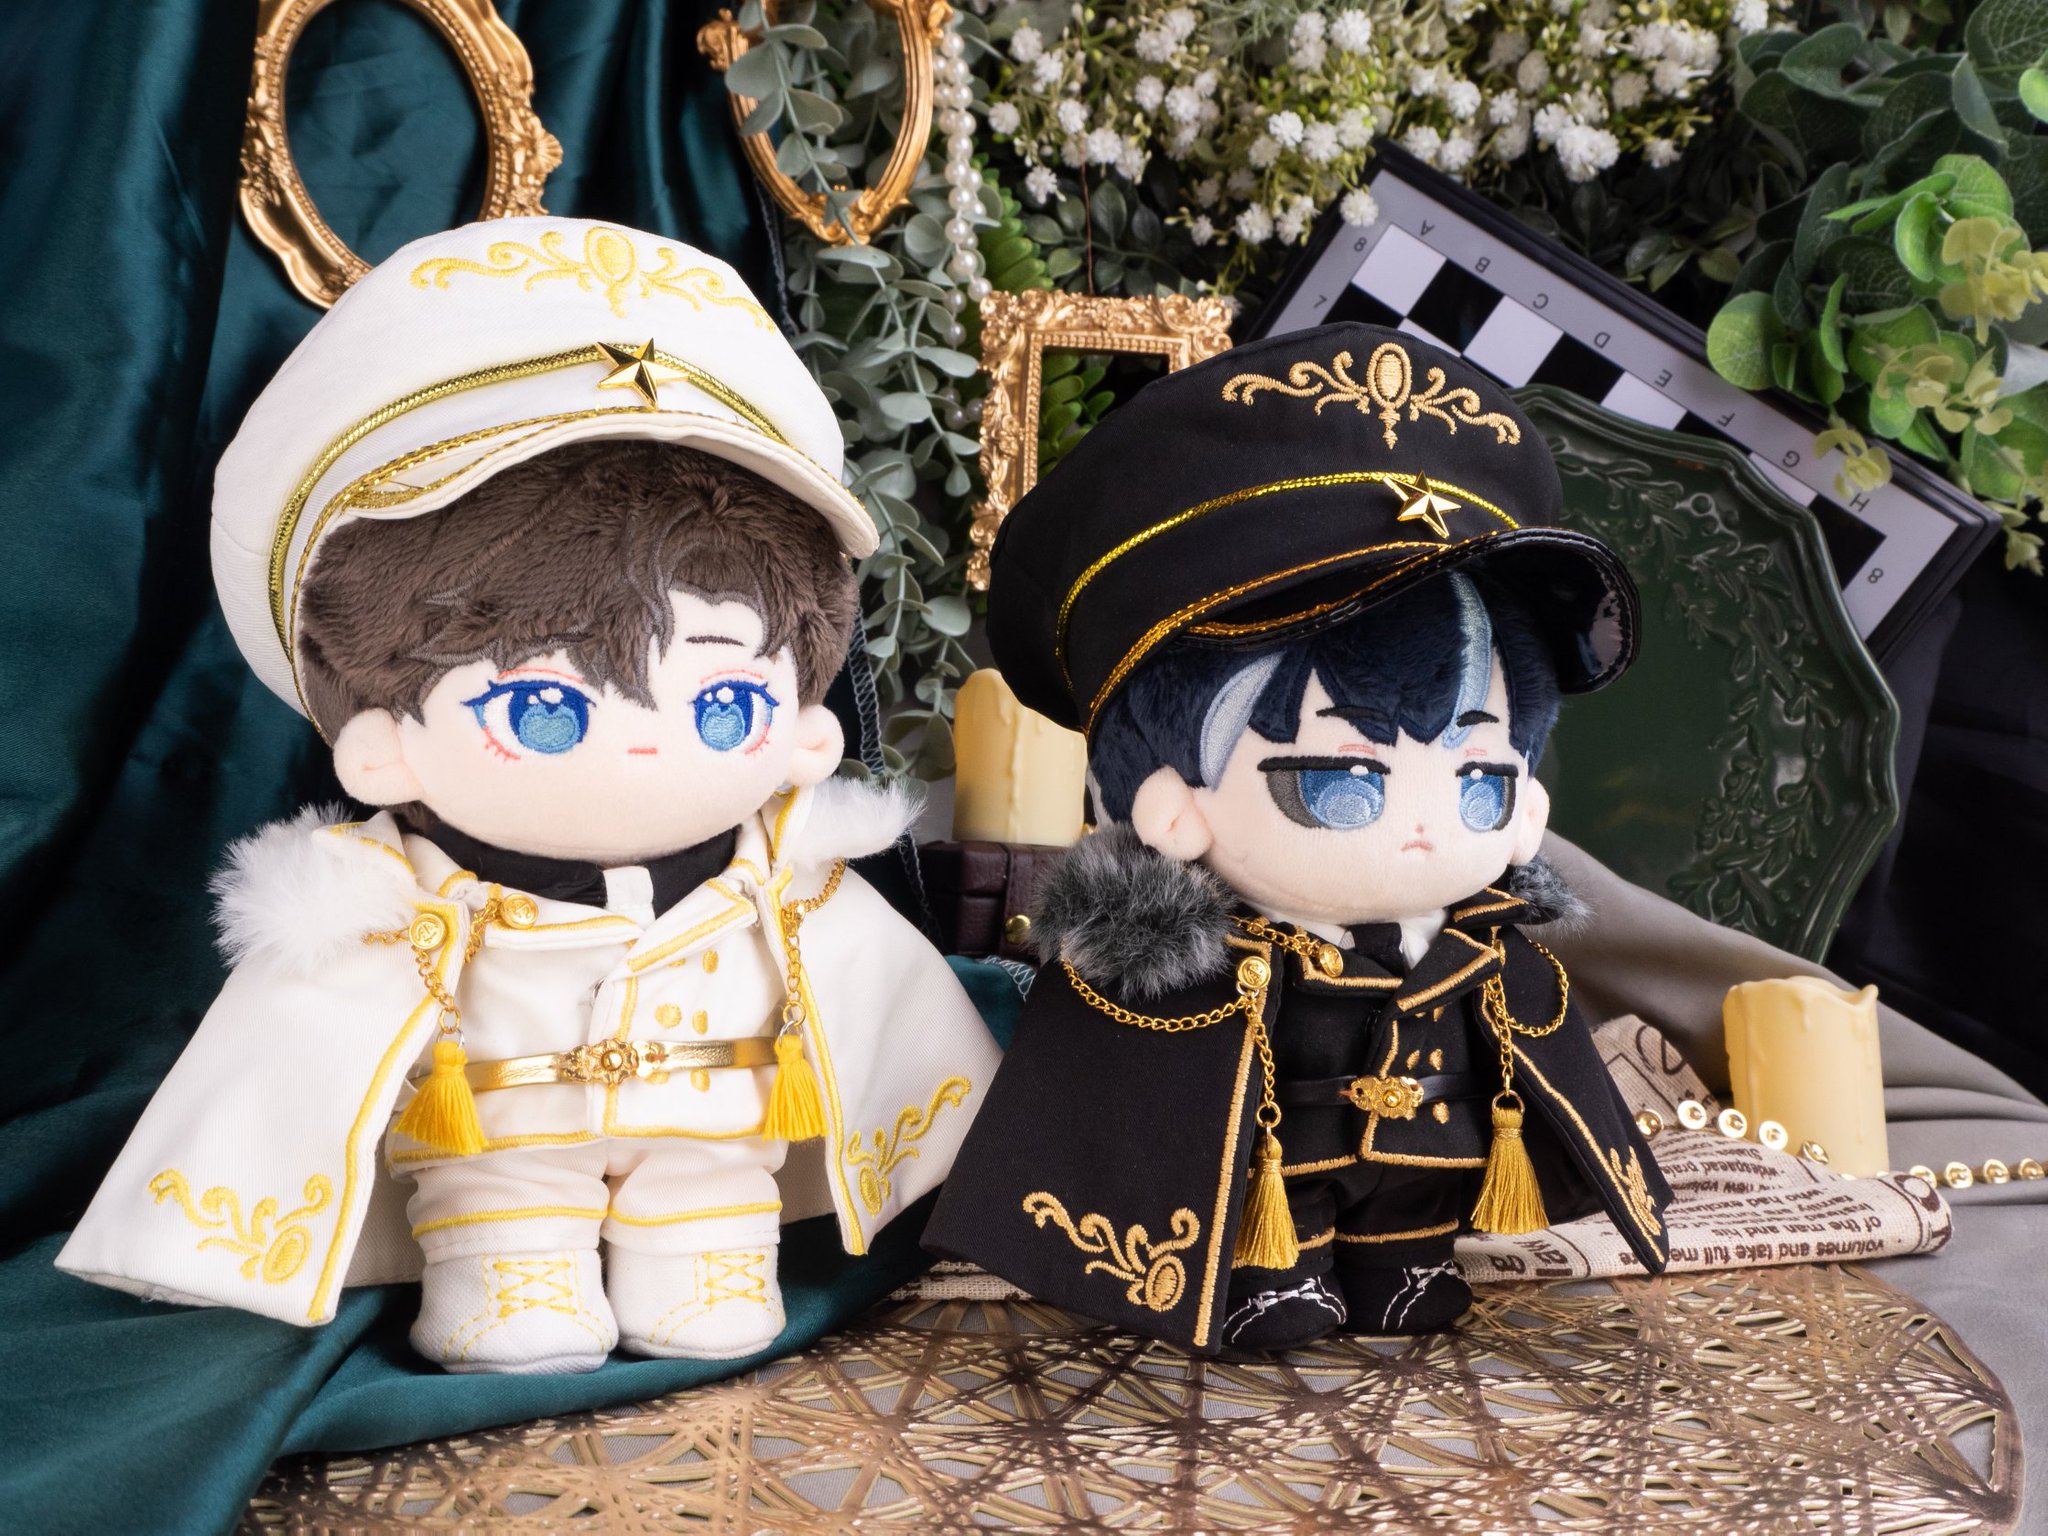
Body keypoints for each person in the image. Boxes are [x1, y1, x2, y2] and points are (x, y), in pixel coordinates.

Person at [58, 219, 1000, 1373]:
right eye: (543, 709)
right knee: (502, 1237)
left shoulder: (786, 883)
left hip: (719, 1153)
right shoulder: (400, 901)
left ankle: (699, 1254)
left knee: (712, 1252)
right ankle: (508, 1267)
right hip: (498, 1152)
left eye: (722, 706)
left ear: (805, 727)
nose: (649, 745)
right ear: (383, 748)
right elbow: (292, 1052)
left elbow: (894, 1016)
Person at [926, 322, 1671, 1351]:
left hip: (1427, 1168)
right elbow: (1116, 1119)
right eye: (1342, 782)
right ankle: (1280, 1276)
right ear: (1171, 805)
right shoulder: (1187, 980)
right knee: (1276, 1239)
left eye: (1479, 782)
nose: (1424, 824)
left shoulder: (1487, 951)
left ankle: (1403, 1261)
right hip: (1274, 1191)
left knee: (1414, 1237)